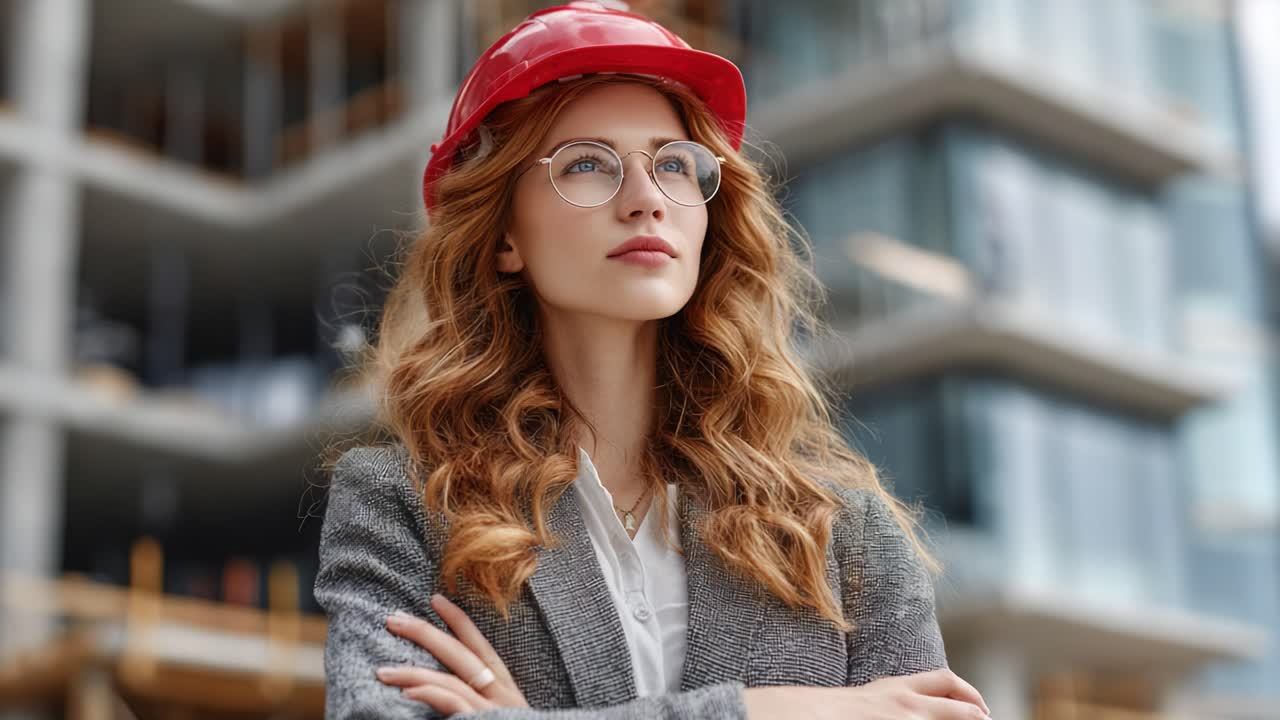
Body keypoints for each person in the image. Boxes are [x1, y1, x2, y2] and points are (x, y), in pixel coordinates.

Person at [313, 2, 992, 718]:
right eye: (587, 164)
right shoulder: (403, 506)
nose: (646, 200)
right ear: (505, 234)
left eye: (674, 165)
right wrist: (769, 712)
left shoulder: (844, 535)